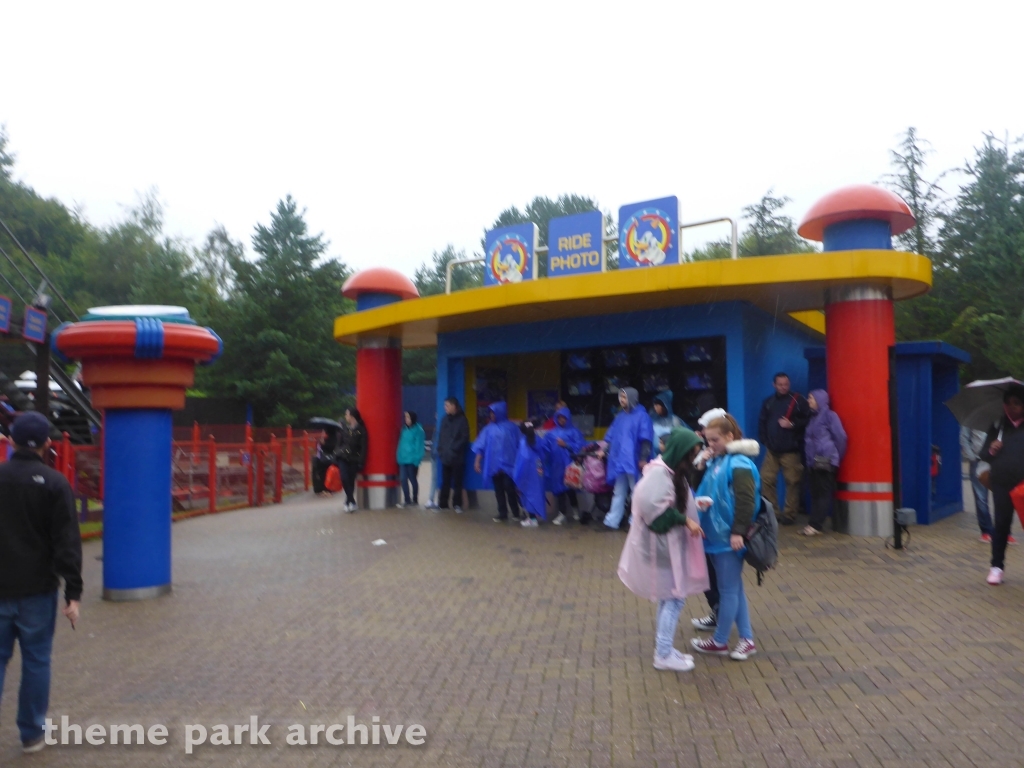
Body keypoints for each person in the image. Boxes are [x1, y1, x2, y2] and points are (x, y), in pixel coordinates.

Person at [0, 411, 82, 754]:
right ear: (48, 444)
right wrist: (73, 592)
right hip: (38, 589)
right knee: (36, 660)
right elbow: (66, 541)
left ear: (10, 440)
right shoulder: (55, 483)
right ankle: (32, 732)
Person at [618, 428, 709, 672]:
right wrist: (686, 520)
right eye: (692, 454)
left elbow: (666, 503)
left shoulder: (666, 470)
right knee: (675, 598)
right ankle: (663, 653)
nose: (694, 459)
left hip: (665, 547)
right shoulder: (660, 474)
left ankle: (665, 649)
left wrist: (692, 507)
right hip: (662, 548)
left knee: (670, 596)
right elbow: (654, 513)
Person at [690, 414, 761, 661]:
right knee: (734, 589)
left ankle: (720, 641)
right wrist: (701, 466)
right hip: (719, 536)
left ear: (730, 437)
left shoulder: (739, 463)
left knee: (728, 589)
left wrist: (738, 532)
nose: (711, 445)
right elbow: (700, 487)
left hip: (727, 537)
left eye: (715, 440)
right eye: (708, 440)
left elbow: (746, 500)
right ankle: (746, 639)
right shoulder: (719, 460)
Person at [690, 407, 727, 633]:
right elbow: (699, 484)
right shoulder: (708, 454)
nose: (705, 436)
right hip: (707, 522)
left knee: (724, 577)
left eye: (711, 435)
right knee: (708, 570)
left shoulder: (733, 458)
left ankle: (724, 622)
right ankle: (718, 611)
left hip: (722, 527)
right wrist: (701, 464)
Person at [982, 384, 1024, 585]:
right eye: (1008, 403)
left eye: (1016, 403)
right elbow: (983, 454)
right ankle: (996, 566)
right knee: (1001, 524)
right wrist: (991, 449)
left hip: (1023, 485)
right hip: (1002, 483)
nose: (1011, 407)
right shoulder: (998, 426)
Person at [598, 387, 654, 532]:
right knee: (619, 491)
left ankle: (635, 522)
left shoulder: (643, 416)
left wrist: (643, 458)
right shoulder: (620, 417)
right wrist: (603, 450)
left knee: (636, 492)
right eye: (620, 397)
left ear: (632, 398)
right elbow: (611, 438)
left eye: (624, 397)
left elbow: (646, 440)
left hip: (634, 461)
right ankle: (612, 521)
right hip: (620, 461)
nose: (622, 401)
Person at [758, 372, 810, 525]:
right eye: (780, 384)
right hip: (772, 450)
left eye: (786, 384)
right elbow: (762, 422)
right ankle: (772, 512)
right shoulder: (768, 402)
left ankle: (789, 514)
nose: (783, 387)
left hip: (791, 450)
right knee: (766, 479)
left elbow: (807, 420)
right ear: (774, 385)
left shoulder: (798, 400)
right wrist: (765, 441)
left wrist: (792, 424)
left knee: (793, 482)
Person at [801, 390, 847, 536]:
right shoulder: (812, 417)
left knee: (823, 493)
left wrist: (834, 455)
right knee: (815, 492)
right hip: (813, 462)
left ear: (820, 400)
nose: (808, 401)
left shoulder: (830, 416)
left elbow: (841, 437)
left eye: (811, 398)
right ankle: (812, 523)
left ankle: (816, 525)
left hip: (825, 461)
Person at [472, 402, 521, 523]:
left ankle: (516, 512)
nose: (492, 415)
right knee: (498, 489)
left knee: (509, 488)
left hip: (509, 465)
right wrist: (477, 461)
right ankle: (502, 513)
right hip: (494, 465)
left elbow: (520, 445)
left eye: (493, 412)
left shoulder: (512, 428)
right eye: (490, 413)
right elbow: (481, 446)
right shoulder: (488, 429)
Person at [543, 405, 584, 525]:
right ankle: (562, 513)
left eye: (564, 418)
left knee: (570, 489)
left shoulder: (574, 432)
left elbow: (581, 447)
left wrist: (566, 445)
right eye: (559, 418)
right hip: (556, 466)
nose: (562, 420)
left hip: (569, 465)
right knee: (559, 491)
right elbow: (545, 448)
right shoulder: (551, 434)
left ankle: (575, 509)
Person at [961, 424, 995, 542]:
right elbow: (963, 438)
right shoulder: (973, 419)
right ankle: (986, 531)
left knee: (1002, 498)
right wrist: (972, 457)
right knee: (981, 498)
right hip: (978, 461)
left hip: (997, 461)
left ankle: (1005, 532)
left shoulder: (1000, 418)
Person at [436, 398, 469, 512]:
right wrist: (440, 450)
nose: (445, 408)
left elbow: (464, 437)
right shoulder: (444, 419)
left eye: (447, 405)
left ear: (454, 406)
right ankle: (442, 504)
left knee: (457, 482)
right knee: (445, 481)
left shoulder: (462, 420)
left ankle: (457, 504)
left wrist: (453, 449)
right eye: (445, 405)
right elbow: (441, 437)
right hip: (445, 456)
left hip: (457, 457)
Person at [513, 422, 547, 528]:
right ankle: (534, 517)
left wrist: (517, 476)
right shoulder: (538, 440)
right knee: (536, 493)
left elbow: (522, 461)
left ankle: (532, 519)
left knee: (528, 494)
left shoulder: (523, 442)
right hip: (538, 471)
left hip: (527, 473)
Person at [335, 408, 367, 512]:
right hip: (343, 457)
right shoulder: (345, 429)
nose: (345, 416)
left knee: (351, 481)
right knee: (344, 478)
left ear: (352, 416)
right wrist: (337, 453)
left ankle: (348, 502)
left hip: (354, 458)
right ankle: (352, 501)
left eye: (347, 414)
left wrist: (361, 461)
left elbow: (363, 447)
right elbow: (339, 443)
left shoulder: (361, 430)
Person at [396, 411, 425, 508]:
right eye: (405, 417)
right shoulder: (403, 429)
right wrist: (398, 456)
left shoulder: (419, 430)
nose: (406, 419)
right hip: (403, 459)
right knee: (403, 479)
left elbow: (419, 446)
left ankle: (415, 499)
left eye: (408, 417)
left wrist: (417, 459)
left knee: (413, 479)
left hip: (412, 459)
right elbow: (401, 443)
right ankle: (407, 500)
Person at [649, 390, 683, 457]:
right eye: (654, 405)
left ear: (664, 405)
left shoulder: (674, 420)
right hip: (654, 456)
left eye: (657, 405)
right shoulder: (652, 420)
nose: (655, 408)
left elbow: (679, 436)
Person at [312, 428, 338, 496]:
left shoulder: (333, 438)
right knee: (322, 473)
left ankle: (328, 489)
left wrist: (324, 443)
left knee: (327, 474)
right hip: (323, 459)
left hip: (328, 459)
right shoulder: (328, 437)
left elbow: (331, 447)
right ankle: (324, 488)